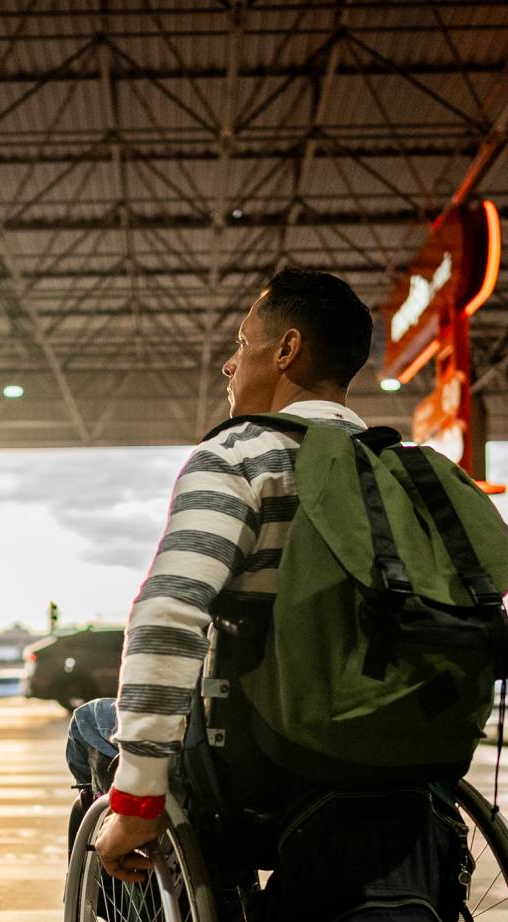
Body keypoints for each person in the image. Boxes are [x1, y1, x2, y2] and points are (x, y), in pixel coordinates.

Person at [66, 267, 374, 881]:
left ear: (286, 350)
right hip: (384, 752)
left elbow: (169, 616)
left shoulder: (240, 454)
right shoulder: (403, 471)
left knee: (89, 724)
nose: (229, 367)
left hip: (263, 761)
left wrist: (137, 798)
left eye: (240, 343)